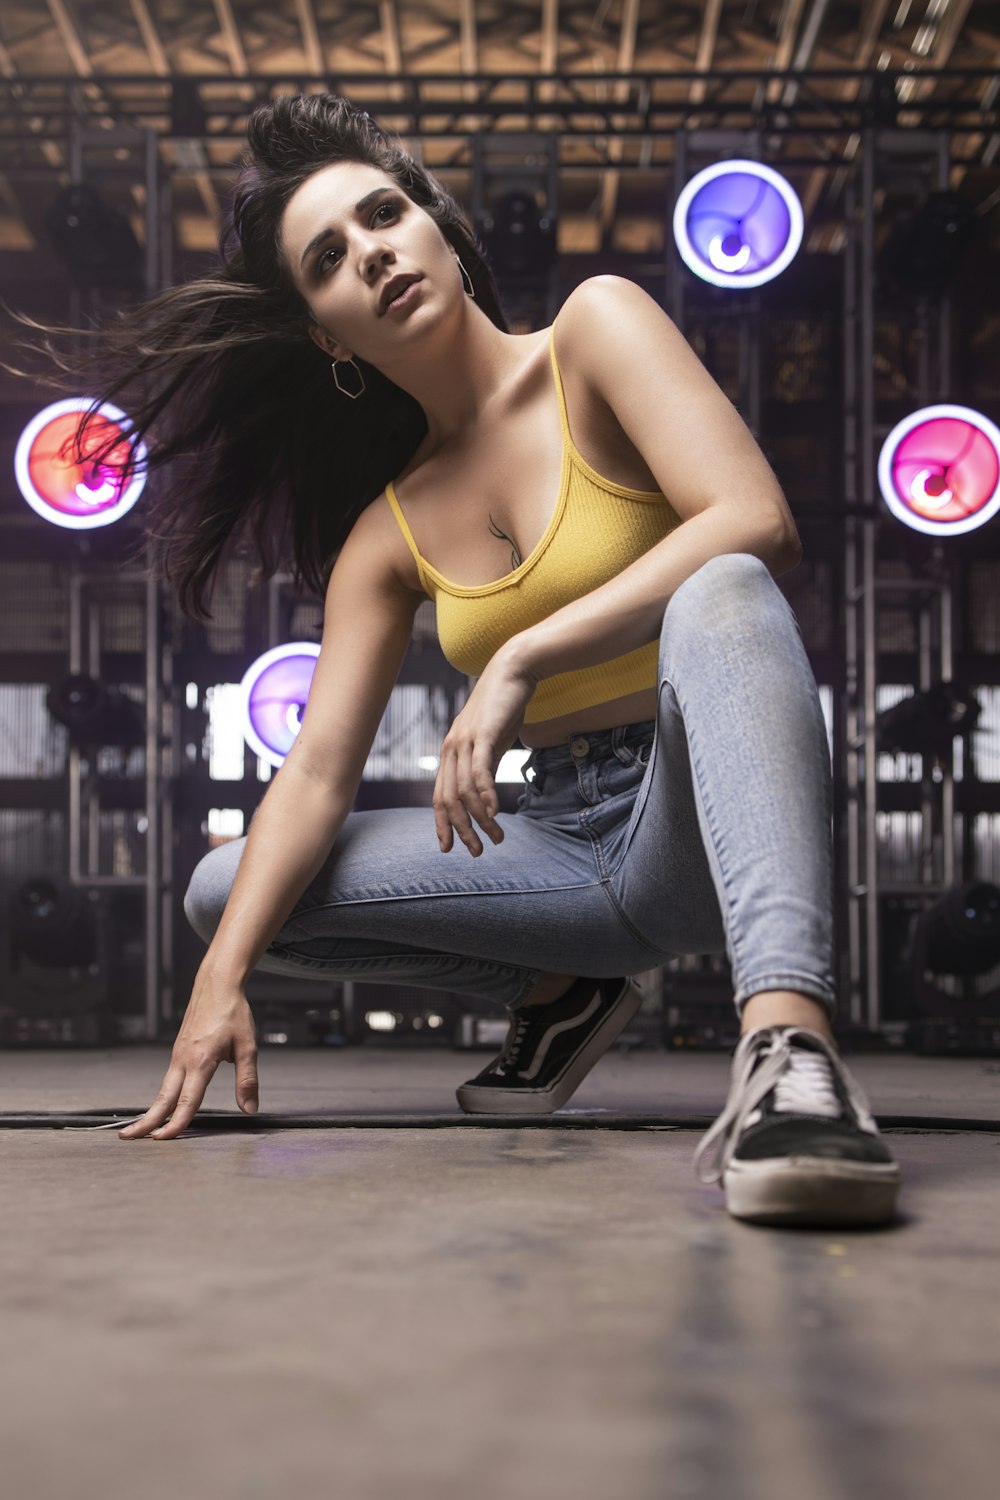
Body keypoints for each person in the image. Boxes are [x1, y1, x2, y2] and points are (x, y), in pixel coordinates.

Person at [18, 94, 899, 1226]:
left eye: (384, 214)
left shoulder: (597, 329)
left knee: (720, 583)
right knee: (226, 893)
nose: (372, 252)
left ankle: (791, 1057)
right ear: (327, 333)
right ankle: (560, 993)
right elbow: (318, 773)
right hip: (564, 858)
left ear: (436, 222)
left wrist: (522, 655)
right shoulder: (385, 533)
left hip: (703, 803)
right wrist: (215, 984)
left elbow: (753, 517)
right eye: (329, 258)